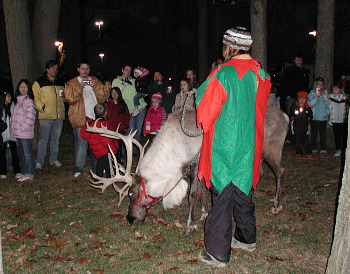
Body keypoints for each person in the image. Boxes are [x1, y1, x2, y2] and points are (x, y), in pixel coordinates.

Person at [196, 26, 271, 268]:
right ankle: (246, 238)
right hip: (249, 144)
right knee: (243, 193)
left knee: (223, 195)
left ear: (230, 46)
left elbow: (205, 113)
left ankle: (218, 253)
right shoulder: (260, 74)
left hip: (224, 146)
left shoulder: (223, 74)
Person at [64, 59, 109, 177]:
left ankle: (96, 168)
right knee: (81, 144)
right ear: (78, 69)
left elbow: (103, 97)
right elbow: (70, 99)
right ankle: (78, 168)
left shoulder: (95, 81)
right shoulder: (72, 83)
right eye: (82, 68)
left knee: (96, 144)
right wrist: (80, 87)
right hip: (80, 118)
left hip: (95, 118)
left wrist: (95, 87)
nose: (85, 71)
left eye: (87, 68)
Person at [32, 60, 65, 169]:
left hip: (58, 115)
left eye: (56, 68)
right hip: (45, 116)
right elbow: (35, 98)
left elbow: (64, 97)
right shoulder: (39, 82)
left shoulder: (61, 82)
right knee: (43, 139)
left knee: (55, 139)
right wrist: (42, 108)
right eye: (52, 68)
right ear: (47, 69)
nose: (55, 70)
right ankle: (39, 161)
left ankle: (53, 159)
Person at [112, 65, 147, 147]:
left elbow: (143, 90)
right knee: (129, 131)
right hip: (127, 110)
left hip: (140, 108)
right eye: (126, 70)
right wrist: (123, 84)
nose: (127, 72)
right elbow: (114, 94)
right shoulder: (116, 81)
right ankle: (126, 151)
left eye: (129, 70)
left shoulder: (134, 81)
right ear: (122, 70)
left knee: (137, 132)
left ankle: (135, 151)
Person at [80, 103, 118, 178]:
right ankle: (110, 179)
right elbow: (107, 141)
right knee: (108, 167)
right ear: (106, 112)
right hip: (106, 151)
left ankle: (98, 178)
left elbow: (83, 134)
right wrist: (113, 150)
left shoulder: (90, 124)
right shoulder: (104, 125)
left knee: (99, 165)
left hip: (96, 151)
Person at [11, 79, 36, 181]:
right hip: (18, 133)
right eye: (21, 86)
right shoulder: (17, 102)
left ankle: (29, 173)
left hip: (24, 132)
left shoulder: (29, 102)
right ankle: (25, 171)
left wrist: (22, 128)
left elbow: (30, 118)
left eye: (25, 87)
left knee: (27, 152)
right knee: (22, 152)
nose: (23, 89)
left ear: (28, 89)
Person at [106, 87, 130, 163]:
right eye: (112, 93)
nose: (114, 95)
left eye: (116, 93)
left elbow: (127, 116)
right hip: (111, 129)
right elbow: (106, 116)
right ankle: (112, 160)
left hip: (120, 129)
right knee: (112, 145)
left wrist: (125, 126)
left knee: (119, 145)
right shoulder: (108, 104)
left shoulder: (122, 104)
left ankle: (118, 160)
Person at [0, 91, 21, 179]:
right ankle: (2, 171)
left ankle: (17, 171)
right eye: (7, 96)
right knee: (2, 153)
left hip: (12, 133)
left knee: (14, 153)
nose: (10, 98)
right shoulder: (1, 108)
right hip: (3, 134)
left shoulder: (13, 106)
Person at [307, 77, 330, 155]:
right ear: (315, 85)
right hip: (314, 117)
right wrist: (316, 98)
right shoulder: (312, 93)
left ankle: (323, 148)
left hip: (323, 117)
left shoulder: (325, 93)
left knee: (323, 134)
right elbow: (309, 104)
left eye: (321, 85)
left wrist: (324, 97)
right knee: (314, 133)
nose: (320, 86)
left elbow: (329, 104)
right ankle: (313, 147)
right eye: (318, 85)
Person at [290, 91, 313, 157]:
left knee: (305, 139)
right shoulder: (294, 106)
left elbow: (310, 114)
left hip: (304, 125)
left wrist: (308, 118)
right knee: (297, 139)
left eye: (304, 98)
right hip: (296, 125)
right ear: (298, 98)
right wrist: (292, 117)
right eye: (300, 98)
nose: (302, 100)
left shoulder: (307, 107)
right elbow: (291, 113)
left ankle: (308, 152)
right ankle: (298, 152)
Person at [328, 82, 349, 156]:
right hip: (335, 120)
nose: (334, 90)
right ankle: (338, 149)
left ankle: (344, 149)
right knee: (337, 136)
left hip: (343, 120)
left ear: (340, 89)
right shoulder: (330, 98)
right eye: (333, 88)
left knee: (343, 136)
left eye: (336, 88)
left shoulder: (344, 98)